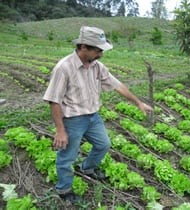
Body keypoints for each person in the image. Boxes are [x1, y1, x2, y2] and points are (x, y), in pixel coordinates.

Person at [43, 26, 153, 204]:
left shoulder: (97, 66)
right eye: (98, 50)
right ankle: (64, 189)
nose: (101, 54)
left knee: (103, 145)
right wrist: (60, 130)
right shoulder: (63, 68)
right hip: (73, 120)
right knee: (66, 157)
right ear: (83, 47)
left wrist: (138, 102)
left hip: (93, 117)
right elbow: (54, 100)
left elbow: (118, 85)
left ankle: (87, 168)